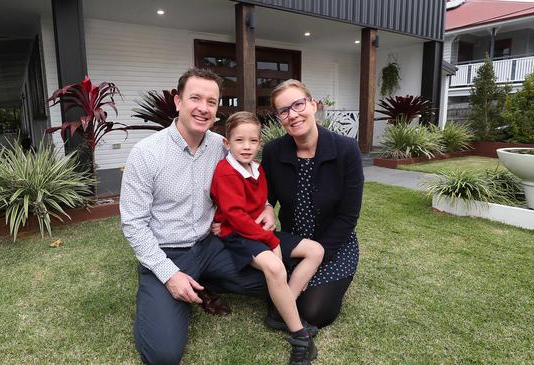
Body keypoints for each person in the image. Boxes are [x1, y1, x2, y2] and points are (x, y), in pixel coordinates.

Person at [120, 68, 275, 365]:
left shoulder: (222, 146)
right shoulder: (146, 153)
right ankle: (171, 291)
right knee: (164, 355)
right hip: (167, 253)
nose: (203, 108)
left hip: (211, 246)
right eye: (195, 98)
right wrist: (169, 275)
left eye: (212, 102)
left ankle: (206, 282)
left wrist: (267, 206)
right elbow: (133, 224)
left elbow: (249, 178)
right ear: (178, 102)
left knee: (275, 278)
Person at [210, 111, 324, 364]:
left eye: (253, 140)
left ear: (260, 143)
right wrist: (271, 242)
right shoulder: (226, 172)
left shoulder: (257, 169)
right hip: (237, 235)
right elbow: (236, 217)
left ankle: (281, 311)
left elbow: (261, 202)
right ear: (227, 143)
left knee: (315, 250)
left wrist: (267, 210)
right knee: (275, 266)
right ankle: (300, 336)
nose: (247, 146)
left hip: (257, 231)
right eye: (239, 140)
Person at [261, 79, 364, 329]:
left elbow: (348, 216)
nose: (293, 115)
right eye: (284, 111)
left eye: (298, 104)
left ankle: (322, 283)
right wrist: (266, 206)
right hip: (294, 242)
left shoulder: (346, 149)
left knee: (315, 311)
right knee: (264, 289)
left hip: (334, 244)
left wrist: (317, 258)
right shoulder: (274, 151)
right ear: (279, 117)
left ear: (313, 105)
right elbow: (265, 194)